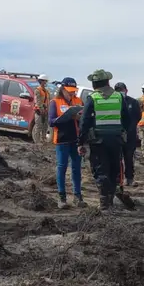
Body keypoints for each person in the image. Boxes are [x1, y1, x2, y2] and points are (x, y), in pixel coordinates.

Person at [77, 69, 131, 210]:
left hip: (98, 141)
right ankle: (110, 200)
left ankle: (104, 203)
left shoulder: (93, 98)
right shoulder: (119, 97)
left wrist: (80, 142)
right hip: (116, 140)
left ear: (94, 84)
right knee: (113, 169)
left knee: (101, 170)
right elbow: (127, 119)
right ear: (108, 82)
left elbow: (84, 121)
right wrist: (122, 132)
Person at [50, 77, 85, 208]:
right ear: (62, 89)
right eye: (69, 91)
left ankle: (78, 196)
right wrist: (66, 118)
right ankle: (62, 197)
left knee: (76, 168)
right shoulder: (55, 102)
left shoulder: (78, 101)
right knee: (62, 167)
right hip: (62, 139)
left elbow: (84, 117)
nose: (71, 93)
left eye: (73, 91)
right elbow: (51, 121)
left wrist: (79, 117)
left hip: (76, 139)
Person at [115, 82, 141, 185]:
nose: (120, 92)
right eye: (117, 90)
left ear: (126, 90)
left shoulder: (133, 102)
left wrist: (130, 128)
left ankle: (129, 178)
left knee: (129, 157)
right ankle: (118, 179)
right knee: (117, 158)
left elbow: (138, 116)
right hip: (117, 134)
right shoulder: (114, 102)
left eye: (121, 90)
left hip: (130, 135)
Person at [33, 74, 51, 144]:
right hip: (39, 111)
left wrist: (47, 109)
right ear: (41, 81)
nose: (46, 82)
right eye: (45, 81)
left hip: (45, 110)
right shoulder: (37, 90)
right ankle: (37, 141)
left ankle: (43, 139)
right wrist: (41, 109)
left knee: (45, 126)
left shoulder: (46, 91)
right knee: (38, 126)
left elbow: (48, 100)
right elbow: (37, 101)